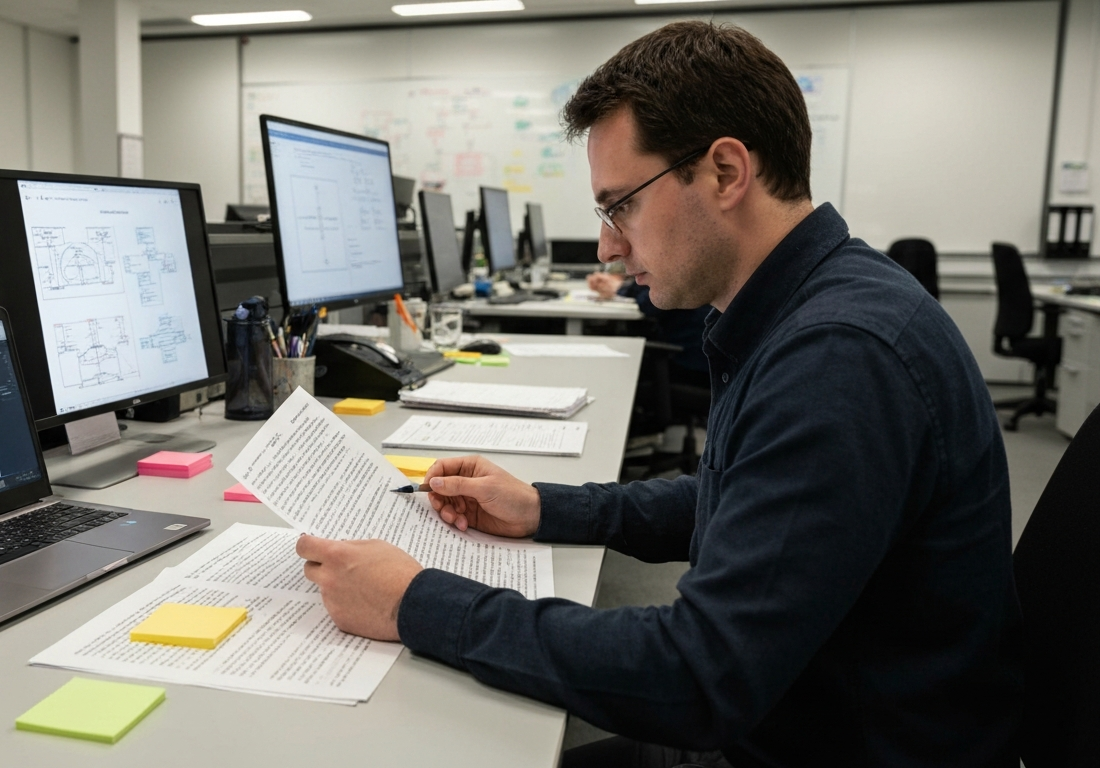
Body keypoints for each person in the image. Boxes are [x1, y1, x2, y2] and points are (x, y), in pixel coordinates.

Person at [295, 20, 1021, 768]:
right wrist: (548, 508)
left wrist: (416, 603)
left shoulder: (840, 357)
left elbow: (699, 676)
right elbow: (740, 495)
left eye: (621, 206)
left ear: (726, 173)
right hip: (801, 716)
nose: (608, 245)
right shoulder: (810, 306)